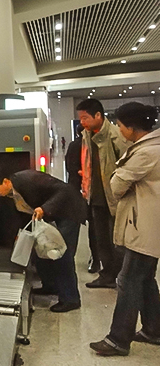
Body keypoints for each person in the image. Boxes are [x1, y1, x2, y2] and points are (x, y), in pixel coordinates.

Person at [90, 102, 160, 356]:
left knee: (128, 280)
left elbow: (116, 185)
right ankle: (154, 329)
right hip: (149, 226)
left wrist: (121, 180)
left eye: (120, 125)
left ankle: (118, 340)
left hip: (144, 227)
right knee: (145, 280)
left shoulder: (146, 153)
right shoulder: (149, 147)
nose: (118, 130)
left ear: (131, 128)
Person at [0, 167, 86, 312]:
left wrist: (44, 208)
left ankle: (71, 299)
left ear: (5, 181)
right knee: (40, 252)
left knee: (61, 255)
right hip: (47, 217)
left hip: (67, 211)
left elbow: (65, 191)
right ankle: (50, 286)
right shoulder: (5, 194)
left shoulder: (29, 179)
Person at [77, 98, 129, 288]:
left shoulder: (114, 135)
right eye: (80, 119)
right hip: (95, 197)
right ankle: (107, 276)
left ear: (98, 115)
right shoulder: (86, 135)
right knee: (102, 240)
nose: (82, 122)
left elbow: (126, 167)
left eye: (85, 118)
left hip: (114, 198)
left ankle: (122, 277)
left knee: (118, 241)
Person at [66, 124, 99, 273]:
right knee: (95, 226)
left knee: (76, 226)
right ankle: (96, 259)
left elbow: (69, 167)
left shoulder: (74, 145)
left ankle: (70, 257)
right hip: (89, 190)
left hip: (78, 191)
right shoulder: (93, 145)